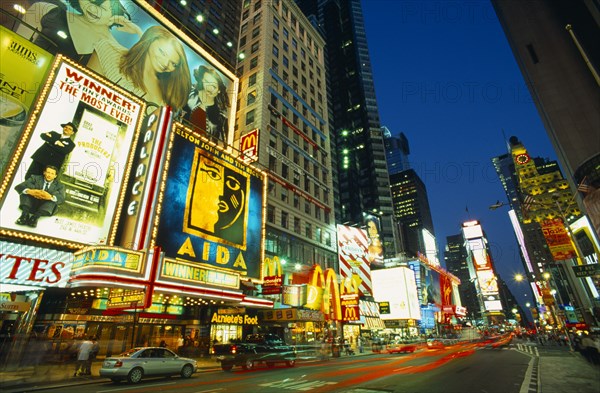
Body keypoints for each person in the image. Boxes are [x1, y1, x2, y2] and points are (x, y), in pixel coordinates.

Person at [88, 25, 191, 113]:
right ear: (150, 41)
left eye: (173, 63)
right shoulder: (108, 50)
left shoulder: (167, 94)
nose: (165, 64)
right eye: (162, 52)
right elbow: (83, 92)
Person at [16, 0, 141, 64]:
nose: (92, 8)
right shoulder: (44, 10)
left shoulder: (115, 51)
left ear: (115, 14)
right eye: (89, 1)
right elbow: (12, 46)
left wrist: (139, 33)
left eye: (101, 7)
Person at [185, 65, 230, 141]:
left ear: (219, 90)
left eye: (213, 86)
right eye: (206, 82)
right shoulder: (188, 96)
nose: (209, 88)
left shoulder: (222, 120)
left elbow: (224, 146)